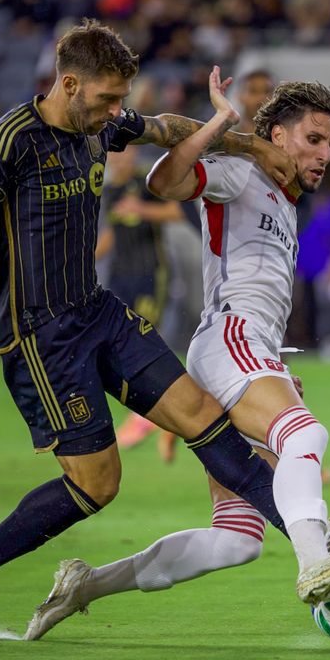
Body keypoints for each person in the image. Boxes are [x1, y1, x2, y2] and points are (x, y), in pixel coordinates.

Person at [0, 20, 330, 644]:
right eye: (107, 99)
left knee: (200, 416)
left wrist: (244, 140)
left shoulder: (100, 121)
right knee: (98, 484)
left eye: (120, 100)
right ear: (69, 83)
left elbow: (168, 128)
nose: (116, 113)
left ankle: (312, 541)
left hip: (99, 311)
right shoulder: (9, 142)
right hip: (41, 334)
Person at [22, 76, 330, 640]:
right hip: (229, 340)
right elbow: (163, 179)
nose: (324, 153)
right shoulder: (243, 172)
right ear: (276, 135)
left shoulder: (287, 203)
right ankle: (316, 558)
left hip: (249, 351)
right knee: (305, 436)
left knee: (236, 540)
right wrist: (222, 129)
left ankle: (85, 585)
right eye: (314, 139)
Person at [94, 145, 185, 454]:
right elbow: (113, 233)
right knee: (118, 345)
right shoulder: (110, 190)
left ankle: (148, 416)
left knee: (147, 341)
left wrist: (142, 209)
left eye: (126, 152)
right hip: (120, 275)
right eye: (115, 153)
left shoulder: (146, 183)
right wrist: (82, 262)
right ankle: (157, 415)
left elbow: (177, 212)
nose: (121, 158)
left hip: (151, 273)